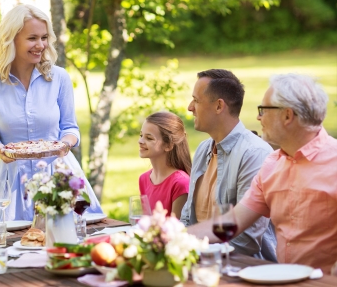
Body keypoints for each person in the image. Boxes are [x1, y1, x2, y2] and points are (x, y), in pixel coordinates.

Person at [187, 74, 337, 273]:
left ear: (287, 115)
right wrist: (170, 238)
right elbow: (232, 222)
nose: (258, 117)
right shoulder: (272, 165)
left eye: (263, 110)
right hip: (282, 279)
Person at [0, 4, 103, 221]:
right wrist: (0, 150)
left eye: (44, 37)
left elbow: (71, 128)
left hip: (59, 179)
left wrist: (64, 144)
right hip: (14, 182)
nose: (41, 45)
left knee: (71, 243)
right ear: (11, 39)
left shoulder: (59, 78)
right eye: (32, 38)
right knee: (14, 246)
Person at [180, 69, 277, 261]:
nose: (190, 107)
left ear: (218, 106)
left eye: (196, 100)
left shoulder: (255, 153)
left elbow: (246, 241)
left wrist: (183, 244)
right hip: (199, 260)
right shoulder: (202, 149)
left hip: (244, 269)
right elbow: (186, 220)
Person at [138, 112, 191, 217]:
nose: (140, 141)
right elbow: (146, 222)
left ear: (168, 145)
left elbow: (176, 228)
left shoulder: (180, 183)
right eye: (141, 135)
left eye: (149, 138)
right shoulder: (143, 179)